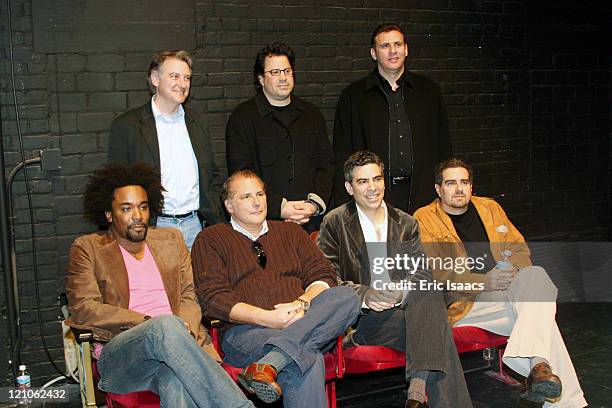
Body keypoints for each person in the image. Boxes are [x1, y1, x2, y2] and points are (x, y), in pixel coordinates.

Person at [65, 163, 253, 408]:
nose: (137, 215)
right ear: (109, 215)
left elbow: (190, 294)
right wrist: (147, 323)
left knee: (174, 382)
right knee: (164, 325)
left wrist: (181, 326)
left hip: (177, 347)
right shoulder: (87, 248)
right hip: (122, 355)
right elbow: (84, 308)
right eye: (126, 208)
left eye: (143, 207)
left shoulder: (170, 240)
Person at [414, 158, 587, 408]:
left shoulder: (489, 208)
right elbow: (436, 275)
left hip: (503, 293)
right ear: (438, 189)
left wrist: (509, 272)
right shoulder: (425, 219)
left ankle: (539, 367)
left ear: (472, 186)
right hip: (463, 305)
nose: (459, 189)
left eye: (464, 182)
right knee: (543, 320)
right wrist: (484, 281)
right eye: (451, 183)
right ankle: (556, 387)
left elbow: (520, 250)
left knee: (535, 275)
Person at [192, 170, 359, 408]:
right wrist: (270, 319)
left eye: (260, 194)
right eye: (246, 196)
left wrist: (301, 303)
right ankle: (276, 358)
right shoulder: (210, 239)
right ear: (229, 205)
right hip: (247, 333)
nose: (257, 201)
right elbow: (213, 299)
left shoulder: (291, 232)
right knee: (307, 356)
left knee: (347, 296)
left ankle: (269, 364)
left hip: (303, 317)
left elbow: (324, 274)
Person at [317, 151, 472, 408]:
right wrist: (365, 295)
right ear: (349, 187)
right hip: (365, 321)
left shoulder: (405, 222)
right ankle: (418, 387)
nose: (372, 188)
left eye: (376, 179)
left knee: (428, 291)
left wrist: (400, 293)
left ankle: (417, 390)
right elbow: (325, 277)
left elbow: (421, 271)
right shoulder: (335, 223)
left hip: (408, 311)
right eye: (362, 181)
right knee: (437, 329)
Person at [109, 50, 223, 250]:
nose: (183, 83)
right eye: (174, 76)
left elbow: (211, 173)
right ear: (155, 79)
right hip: (153, 228)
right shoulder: (127, 126)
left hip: (197, 226)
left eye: (187, 78)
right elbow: (115, 183)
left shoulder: (199, 122)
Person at [333, 23, 451, 214]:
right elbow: (343, 152)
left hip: (423, 194)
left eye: (397, 44)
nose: (392, 51)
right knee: (380, 245)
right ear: (373, 53)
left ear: (406, 49)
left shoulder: (429, 91)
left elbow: (443, 144)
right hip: (374, 196)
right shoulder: (354, 96)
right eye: (385, 46)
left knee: (421, 244)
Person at [225, 42, 334, 231]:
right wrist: (280, 207)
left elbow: (326, 164)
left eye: (287, 71)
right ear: (260, 79)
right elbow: (241, 174)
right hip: (264, 223)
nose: (283, 78)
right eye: (275, 72)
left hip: (311, 221)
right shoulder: (242, 118)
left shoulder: (312, 114)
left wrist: (313, 204)